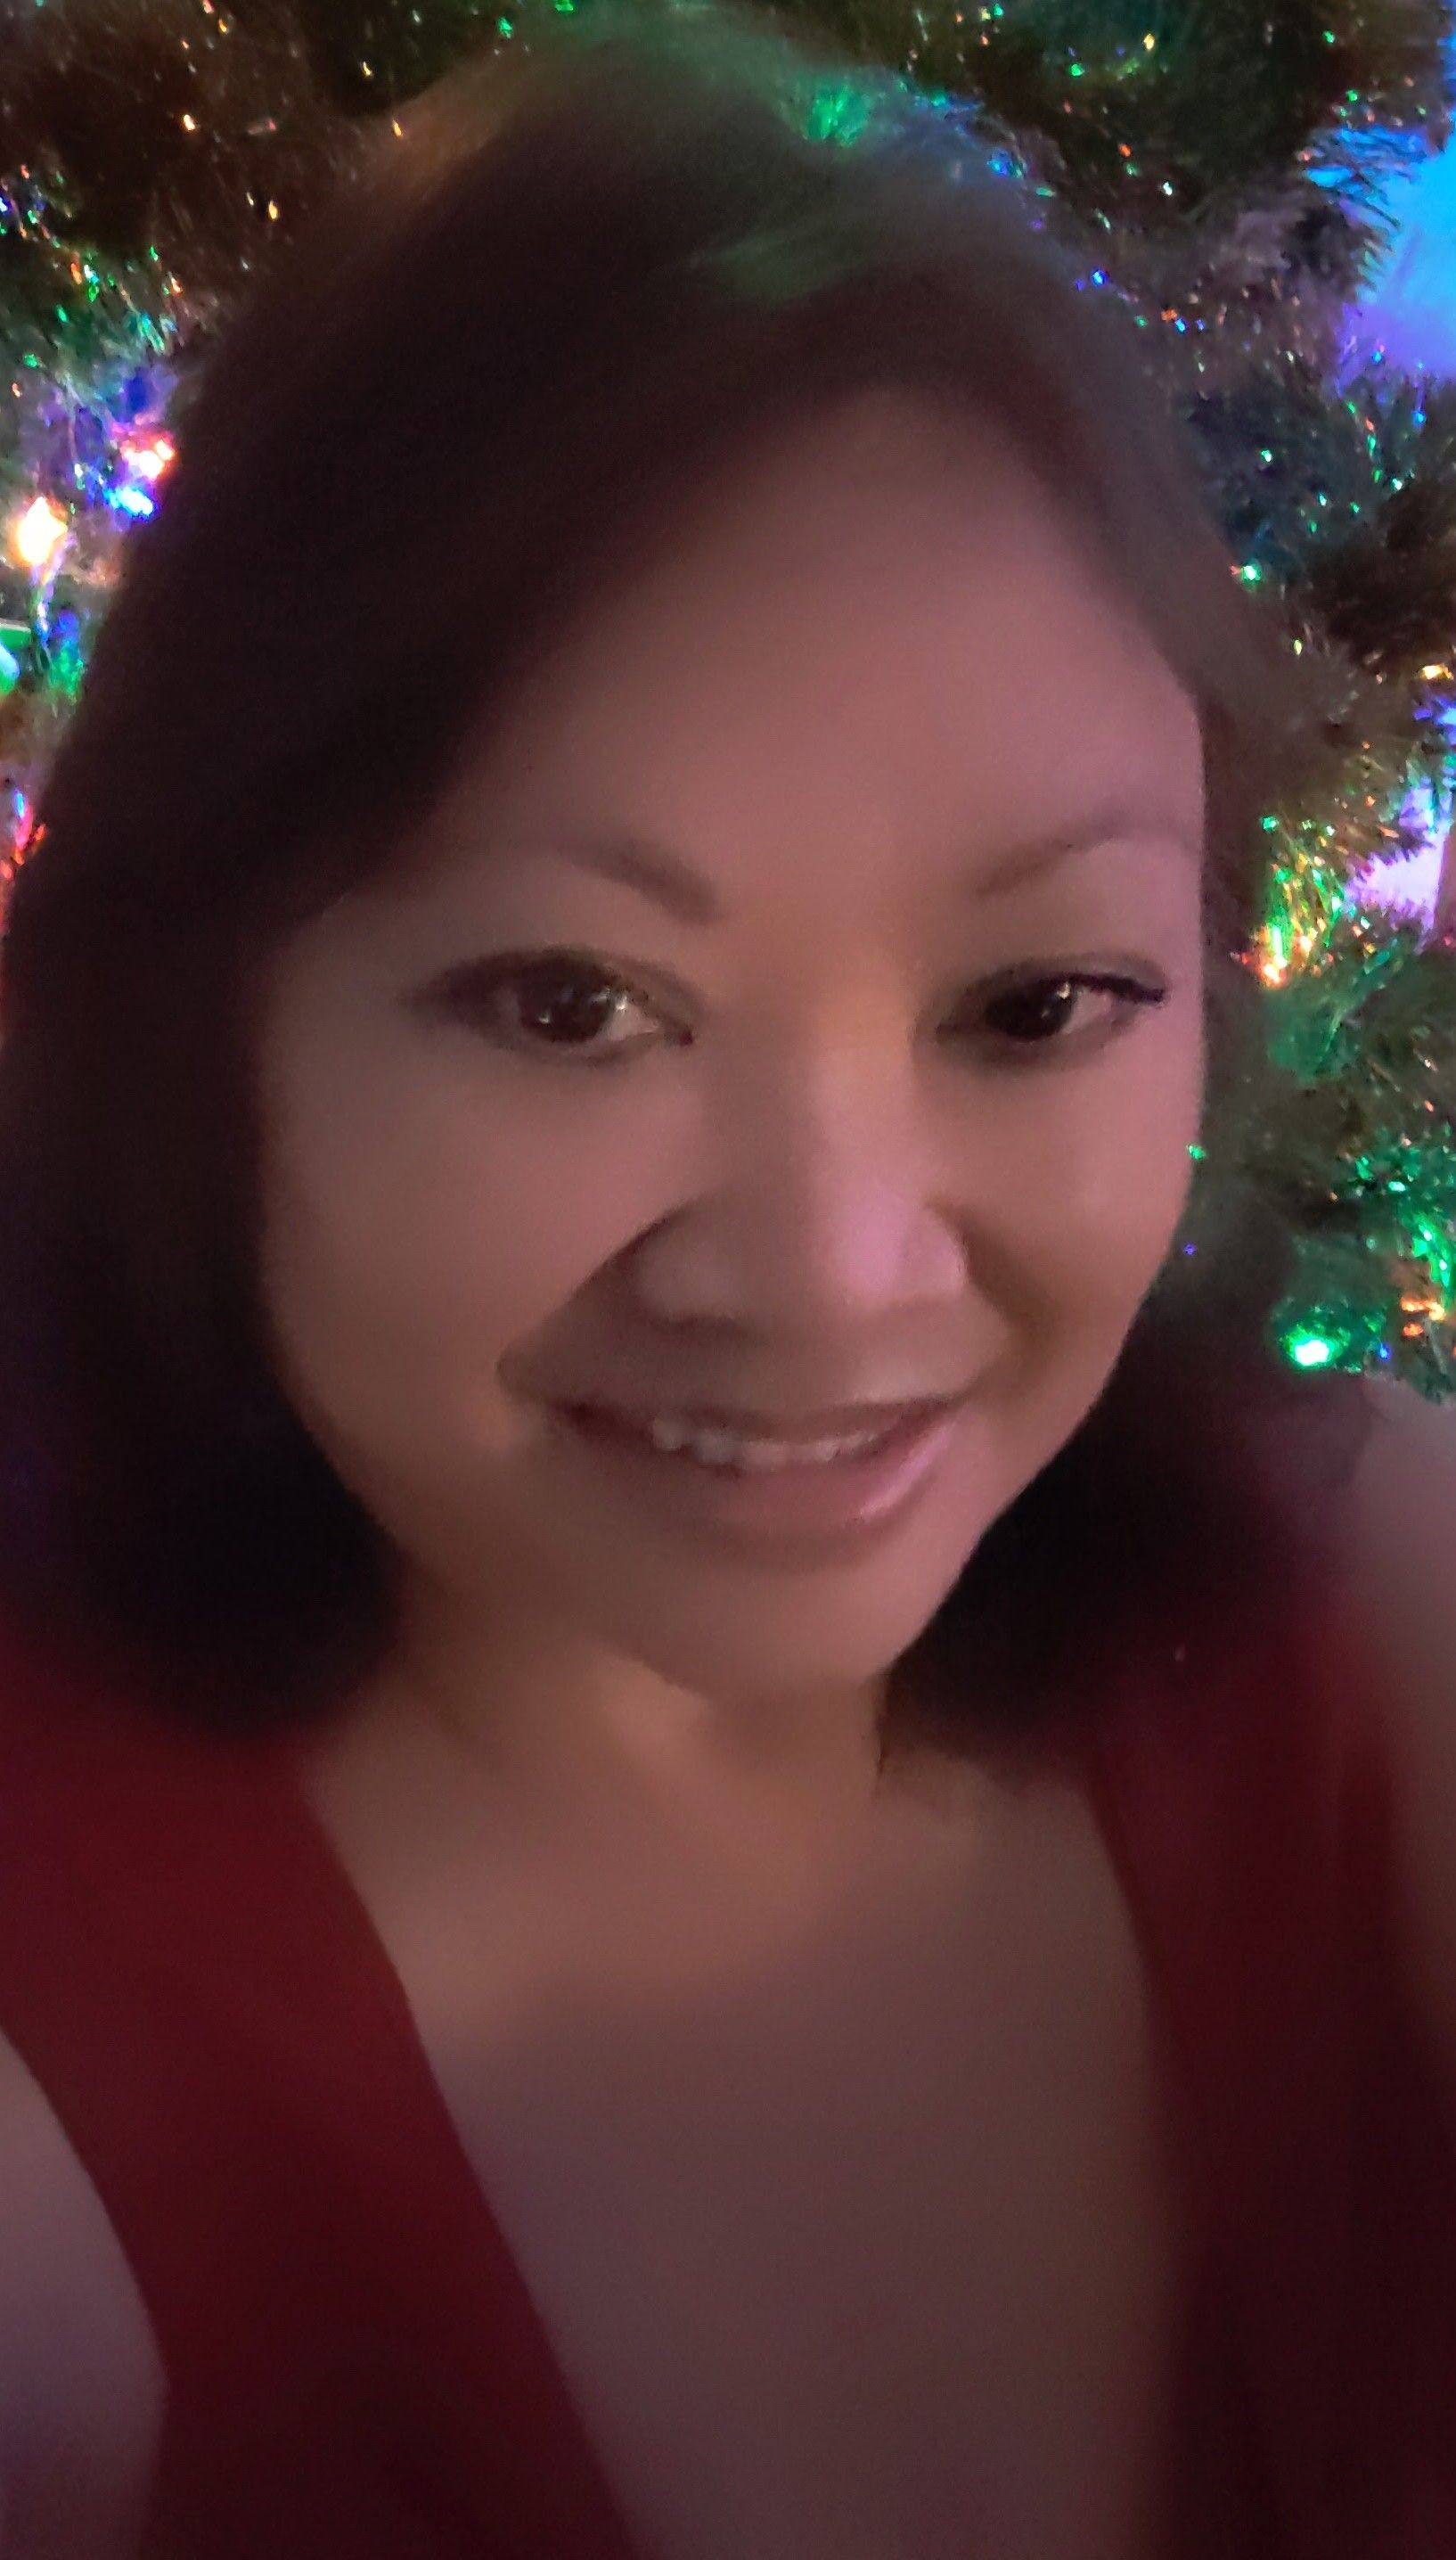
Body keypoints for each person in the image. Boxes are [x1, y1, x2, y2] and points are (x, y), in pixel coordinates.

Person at [0, 4, 1452, 2552]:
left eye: (1033, 1006)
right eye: (569, 1005)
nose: (837, 1272)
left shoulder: (1354, 1607)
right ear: (199, 1016)